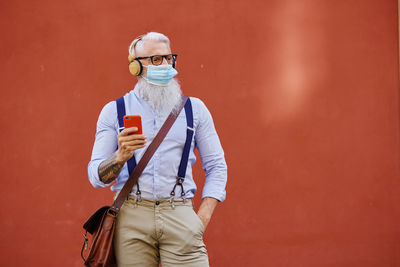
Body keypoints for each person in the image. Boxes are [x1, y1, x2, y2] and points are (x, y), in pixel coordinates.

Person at [88, 32, 227, 266]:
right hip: (131, 216)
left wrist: (201, 218)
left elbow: (216, 165)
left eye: (168, 58)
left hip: (180, 212)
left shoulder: (195, 109)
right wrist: (120, 156)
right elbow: (95, 177)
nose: (164, 64)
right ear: (135, 67)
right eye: (155, 59)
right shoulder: (114, 111)